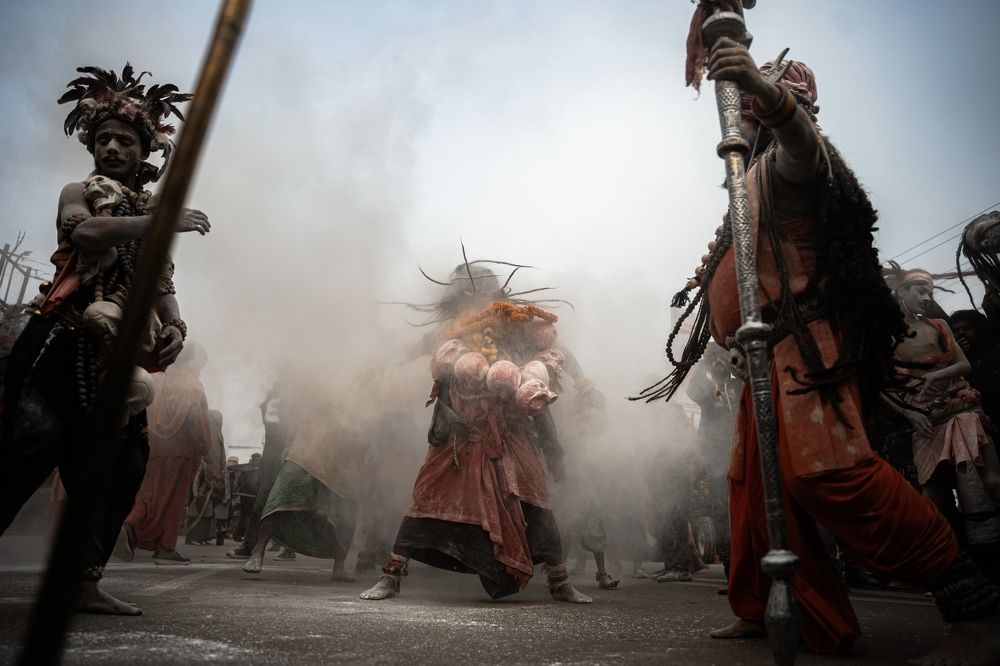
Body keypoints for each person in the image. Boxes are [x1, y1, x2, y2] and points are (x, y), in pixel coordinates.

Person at [645, 38, 999, 662]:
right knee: (752, 489)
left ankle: (976, 610)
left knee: (830, 477)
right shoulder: (748, 179)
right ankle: (764, 609)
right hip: (763, 360)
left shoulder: (798, 159)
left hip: (807, 352)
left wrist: (766, 92)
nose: (747, 113)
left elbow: (801, 143)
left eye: (759, 102)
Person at [0, 64, 207, 615]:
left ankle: (82, 582)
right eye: (104, 138)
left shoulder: (147, 210)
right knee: (31, 443)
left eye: (126, 140)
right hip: (64, 344)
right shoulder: (82, 191)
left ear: (146, 153)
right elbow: (84, 233)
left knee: (122, 470)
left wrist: (177, 327)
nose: (113, 147)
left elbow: (161, 282)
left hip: (119, 360)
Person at [360, 263, 591, 604]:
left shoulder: (518, 330)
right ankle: (391, 576)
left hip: (512, 435)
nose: (474, 303)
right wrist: (376, 368)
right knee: (428, 498)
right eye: (466, 298)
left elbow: (551, 369)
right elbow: (412, 353)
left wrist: (562, 428)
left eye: (480, 296)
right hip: (460, 436)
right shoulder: (450, 335)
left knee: (536, 504)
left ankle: (560, 582)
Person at [884, 271, 1000, 566]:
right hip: (925, 418)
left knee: (988, 480)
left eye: (929, 292)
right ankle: (947, 560)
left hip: (961, 408)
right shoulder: (884, 337)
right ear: (901, 292)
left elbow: (964, 365)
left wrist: (937, 373)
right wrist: (908, 413)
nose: (926, 297)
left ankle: (989, 552)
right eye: (920, 291)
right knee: (932, 493)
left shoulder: (938, 325)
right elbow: (880, 386)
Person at [242, 385, 364, 581]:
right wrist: (290, 444)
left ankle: (339, 567)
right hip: (307, 450)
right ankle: (258, 550)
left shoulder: (359, 389)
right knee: (281, 495)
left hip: (342, 456)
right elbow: (293, 415)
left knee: (347, 508)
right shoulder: (312, 382)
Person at [118, 343, 213, 564]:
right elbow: (198, 423)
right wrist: (206, 450)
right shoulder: (193, 385)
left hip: (151, 447)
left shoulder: (156, 378)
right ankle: (166, 546)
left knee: (148, 494)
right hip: (181, 451)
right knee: (175, 500)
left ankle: (129, 525)